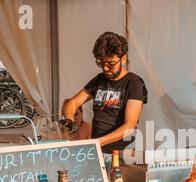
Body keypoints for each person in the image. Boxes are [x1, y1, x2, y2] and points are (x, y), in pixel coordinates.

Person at [61, 32, 148, 170]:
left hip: (121, 156)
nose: (105, 68)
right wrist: (69, 124)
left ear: (123, 59)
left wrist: (98, 142)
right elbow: (71, 103)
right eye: (101, 63)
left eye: (111, 63)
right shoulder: (99, 80)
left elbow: (130, 126)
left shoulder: (134, 83)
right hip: (97, 152)